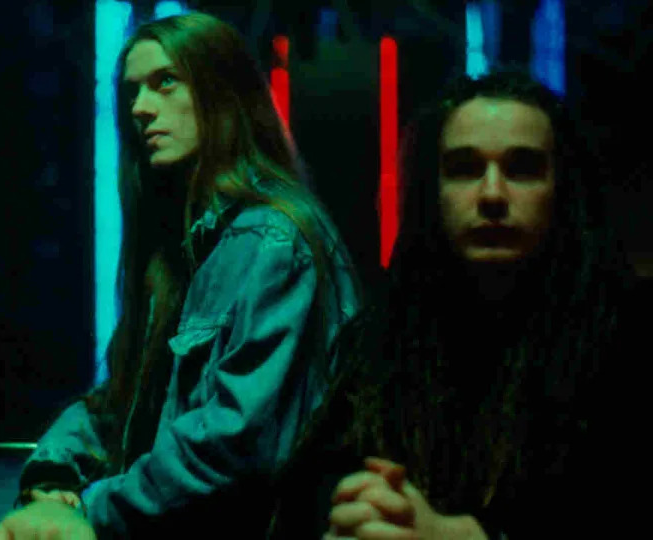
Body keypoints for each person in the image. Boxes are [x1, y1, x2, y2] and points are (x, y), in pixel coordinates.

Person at [0, 12, 360, 539]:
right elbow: (120, 401)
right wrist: (53, 473)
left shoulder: (269, 240)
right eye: (132, 91)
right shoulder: (181, 249)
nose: (140, 108)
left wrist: (85, 509)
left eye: (165, 82)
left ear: (221, 91)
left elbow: (231, 443)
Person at [272, 69, 638, 539]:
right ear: (434, 192)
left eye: (522, 169)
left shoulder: (627, 337)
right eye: (464, 169)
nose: (492, 195)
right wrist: (357, 507)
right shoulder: (382, 339)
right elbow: (313, 485)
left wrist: (462, 535)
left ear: (562, 190)